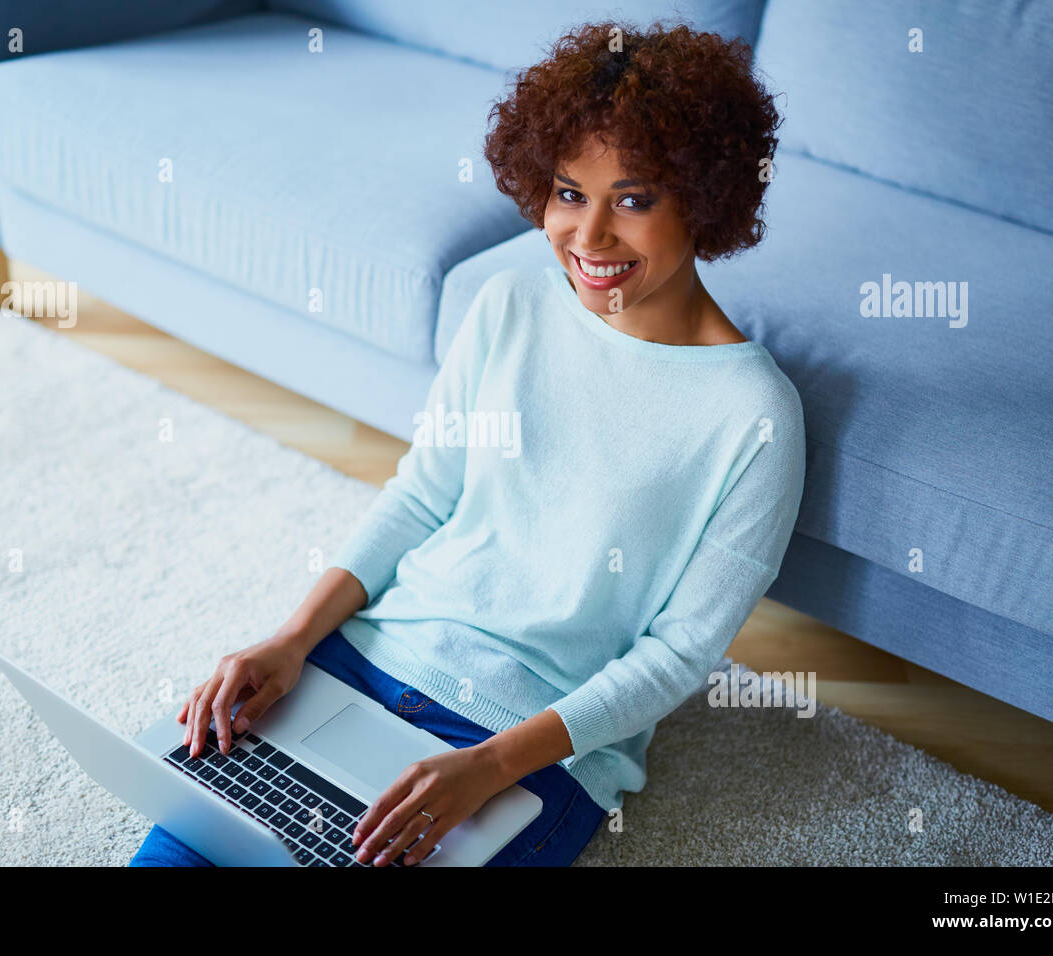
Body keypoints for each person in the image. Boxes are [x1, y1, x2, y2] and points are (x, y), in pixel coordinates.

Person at [131, 17, 803, 868]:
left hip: (530, 746)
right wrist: (290, 639)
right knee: (190, 845)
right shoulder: (510, 303)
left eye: (633, 200)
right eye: (568, 193)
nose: (589, 238)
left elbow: (676, 658)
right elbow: (422, 495)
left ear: (705, 200)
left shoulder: (755, 416)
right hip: (369, 658)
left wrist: (489, 766)